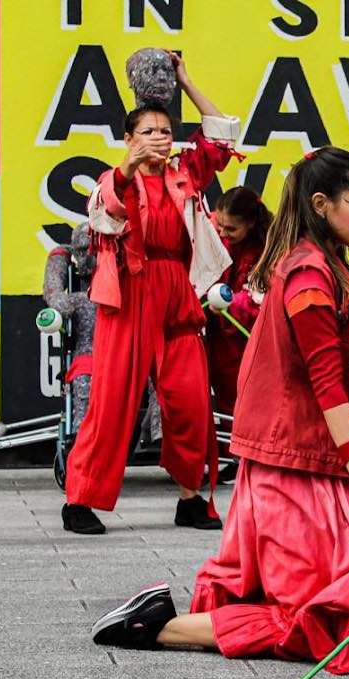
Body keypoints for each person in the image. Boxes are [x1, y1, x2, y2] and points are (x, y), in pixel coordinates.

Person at [89, 148, 349, 671]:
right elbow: (327, 385)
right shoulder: (308, 280)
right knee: (343, 627)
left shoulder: (333, 267)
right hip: (294, 471)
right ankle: (157, 627)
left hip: (328, 457)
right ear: (321, 204)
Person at [60, 51, 239, 535]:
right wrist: (127, 165)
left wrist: (186, 78)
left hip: (176, 293)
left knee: (190, 401)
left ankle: (190, 497)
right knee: (112, 401)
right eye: (148, 131)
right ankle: (80, 499)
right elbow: (105, 213)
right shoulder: (114, 179)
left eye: (165, 130)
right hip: (130, 298)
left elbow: (222, 129)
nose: (160, 138)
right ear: (128, 138)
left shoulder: (186, 173)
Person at [43, 223, 163, 444]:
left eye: (93, 251)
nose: (89, 257)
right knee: (84, 378)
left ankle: (159, 435)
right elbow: (56, 298)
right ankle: (84, 438)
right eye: (82, 251)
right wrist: (82, 301)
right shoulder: (63, 257)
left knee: (161, 370)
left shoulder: (131, 260)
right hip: (89, 347)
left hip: (129, 340)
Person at [206, 186, 272, 483]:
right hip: (220, 337)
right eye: (219, 225)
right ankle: (231, 454)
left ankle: (251, 456)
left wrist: (231, 302)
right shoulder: (213, 234)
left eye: (231, 228)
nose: (223, 232)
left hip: (250, 338)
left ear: (251, 223)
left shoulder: (269, 249)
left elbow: (264, 298)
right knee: (223, 396)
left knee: (250, 398)